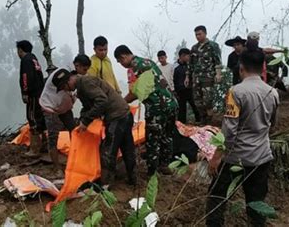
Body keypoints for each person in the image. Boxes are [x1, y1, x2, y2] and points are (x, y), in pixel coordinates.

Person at [206, 49, 279, 227]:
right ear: (263, 67)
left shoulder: (235, 92)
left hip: (235, 158)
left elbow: (229, 131)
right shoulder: (272, 93)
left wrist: (216, 156)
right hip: (261, 158)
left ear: (241, 68)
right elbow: (272, 124)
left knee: (216, 197)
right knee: (256, 202)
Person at [53, 69, 137, 186]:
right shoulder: (82, 86)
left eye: (64, 87)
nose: (65, 90)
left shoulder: (86, 83)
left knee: (108, 151)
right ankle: (133, 179)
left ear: (69, 80)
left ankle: (106, 185)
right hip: (124, 114)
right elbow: (88, 106)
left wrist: (86, 121)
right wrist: (83, 119)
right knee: (127, 147)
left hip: (117, 117)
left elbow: (101, 101)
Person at [114, 45, 178, 176]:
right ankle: (165, 166)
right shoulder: (148, 62)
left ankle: (152, 172)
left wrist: (121, 103)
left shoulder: (134, 68)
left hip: (156, 108)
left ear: (123, 57)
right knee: (167, 136)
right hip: (171, 104)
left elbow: (134, 93)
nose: (122, 65)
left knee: (153, 140)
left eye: (120, 62)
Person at [39, 66, 77, 176]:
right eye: (64, 87)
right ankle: (57, 168)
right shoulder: (52, 94)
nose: (67, 88)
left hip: (65, 107)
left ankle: (75, 159)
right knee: (53, 137)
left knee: (73, 130)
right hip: (51, 109)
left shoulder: (71, 75)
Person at [185, 25, 222, 125]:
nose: (197, 36)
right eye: (196, 35)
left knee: (208, 101)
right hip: (196, 79)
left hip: (208, 78)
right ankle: (203, 121)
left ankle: (210, 123)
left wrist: (218, 74)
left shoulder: (213, 46)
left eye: (199, 34)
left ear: (205, 33)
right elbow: (190, 64)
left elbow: (217, 61)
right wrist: (187, 76)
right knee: (197, 101)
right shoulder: (194, 48)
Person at [17, 40, 47, 157]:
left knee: (32, 117)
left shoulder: (26, 60)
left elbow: (25, 77)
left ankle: (35, 149)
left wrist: (25, 92)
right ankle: (44, 144)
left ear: (20, 49)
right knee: (40, 117)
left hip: (33, 93)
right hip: (40, 92)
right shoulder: (34, 58)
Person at [174, 48, 201, 123]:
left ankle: (199, 121)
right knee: (182, 109)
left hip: (190, 90)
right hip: (180, 91)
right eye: (187, 56)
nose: (188, 58)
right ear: (182, 56)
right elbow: (175, 80)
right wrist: (176, 91)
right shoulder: (177, 69)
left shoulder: (191, 67)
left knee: (195, 106)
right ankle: (181, 125)